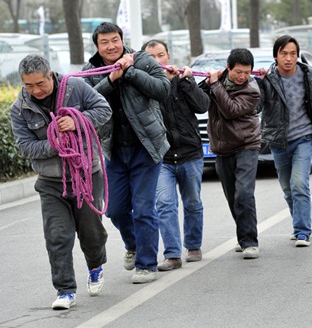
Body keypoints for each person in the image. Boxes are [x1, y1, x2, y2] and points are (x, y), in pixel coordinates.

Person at [9, 54, 112, 309]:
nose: (36, 90)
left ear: (50, 75)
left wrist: (78, 120)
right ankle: (65, 290)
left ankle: (96, 265)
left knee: (91, 233)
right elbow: (26, 147)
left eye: (40, 83)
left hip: (86, 174)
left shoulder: (75, 87)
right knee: (57, 236)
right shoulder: (19, 109)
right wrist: (53, 142)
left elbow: (104, 110)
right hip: (50, 182)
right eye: (29, 85)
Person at [82, 22, 171, 284]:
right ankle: (133, 244)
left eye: (115, 40)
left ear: (122, 40)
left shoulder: (142, 59)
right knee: (115, 210)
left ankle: (146, 264)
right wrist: (112, 79)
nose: (111, 46)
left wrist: (130, 71)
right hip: (113, 150)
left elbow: (163, 89)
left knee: (144, 208)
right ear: (97, 46)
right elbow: (85, 100)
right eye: (104, 42)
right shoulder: (91, 70)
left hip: (146, 148)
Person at [141, 39, 210, 271]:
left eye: (161, 55)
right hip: (162, 157)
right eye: (151, 58)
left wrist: (189, 81)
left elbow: (203, 106)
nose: (158, 61)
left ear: (168, 57)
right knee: (164, 204)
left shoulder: (184, 79)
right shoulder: (144, 87)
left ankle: (193, 245)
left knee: (193, 202)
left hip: (190, 153)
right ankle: (172, 254)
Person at [256, 35, 312, 247]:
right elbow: (257, 107)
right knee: (287, 188)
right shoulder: (268, 79)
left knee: (299, 184)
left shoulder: (308, 74)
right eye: (284, 54)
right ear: (276, 55)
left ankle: (303, 231)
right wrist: (258, 83)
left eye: (292, 54)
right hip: (278, 141)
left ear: (297, 55)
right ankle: (298, 224)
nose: (288, 58)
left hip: (303, 137)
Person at [202, 48, 261, 259]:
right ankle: (243, 235)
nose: (242, 76)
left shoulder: (252, 89)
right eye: (238, 72)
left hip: (246, 145)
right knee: (232, 197)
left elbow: (231, 110)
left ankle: (250, 242)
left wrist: (215, 83)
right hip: (222, 147)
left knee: (244, 194)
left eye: (247, 72)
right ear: (228, 68)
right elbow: (200, 100)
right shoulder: (218, 81)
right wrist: (204, 80)